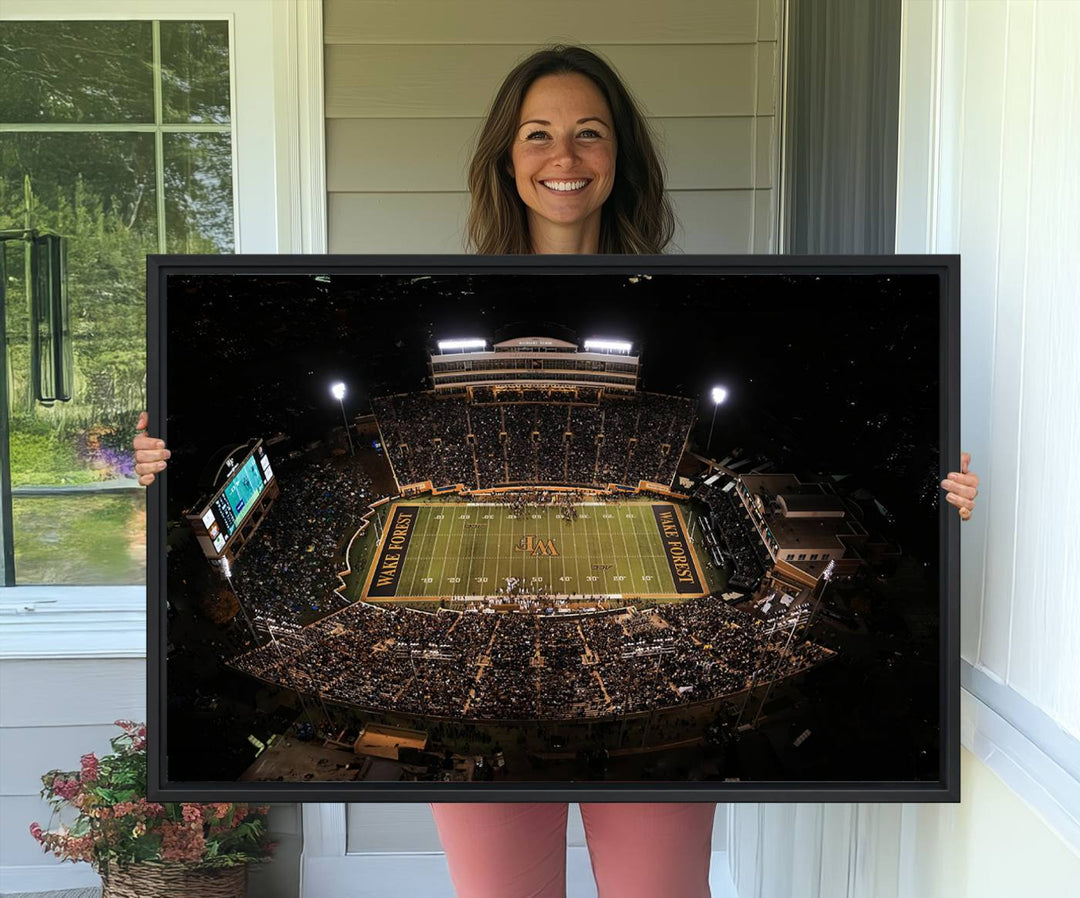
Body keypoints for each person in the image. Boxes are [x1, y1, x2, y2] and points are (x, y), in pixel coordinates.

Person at [133, 45, 980, 898]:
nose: (564, 157)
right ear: (507, 157)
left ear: (621, 156)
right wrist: (160, 470)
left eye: (589, 134)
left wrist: (939, 501)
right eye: (538, 134)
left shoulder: (677, 282)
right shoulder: (448, 285)